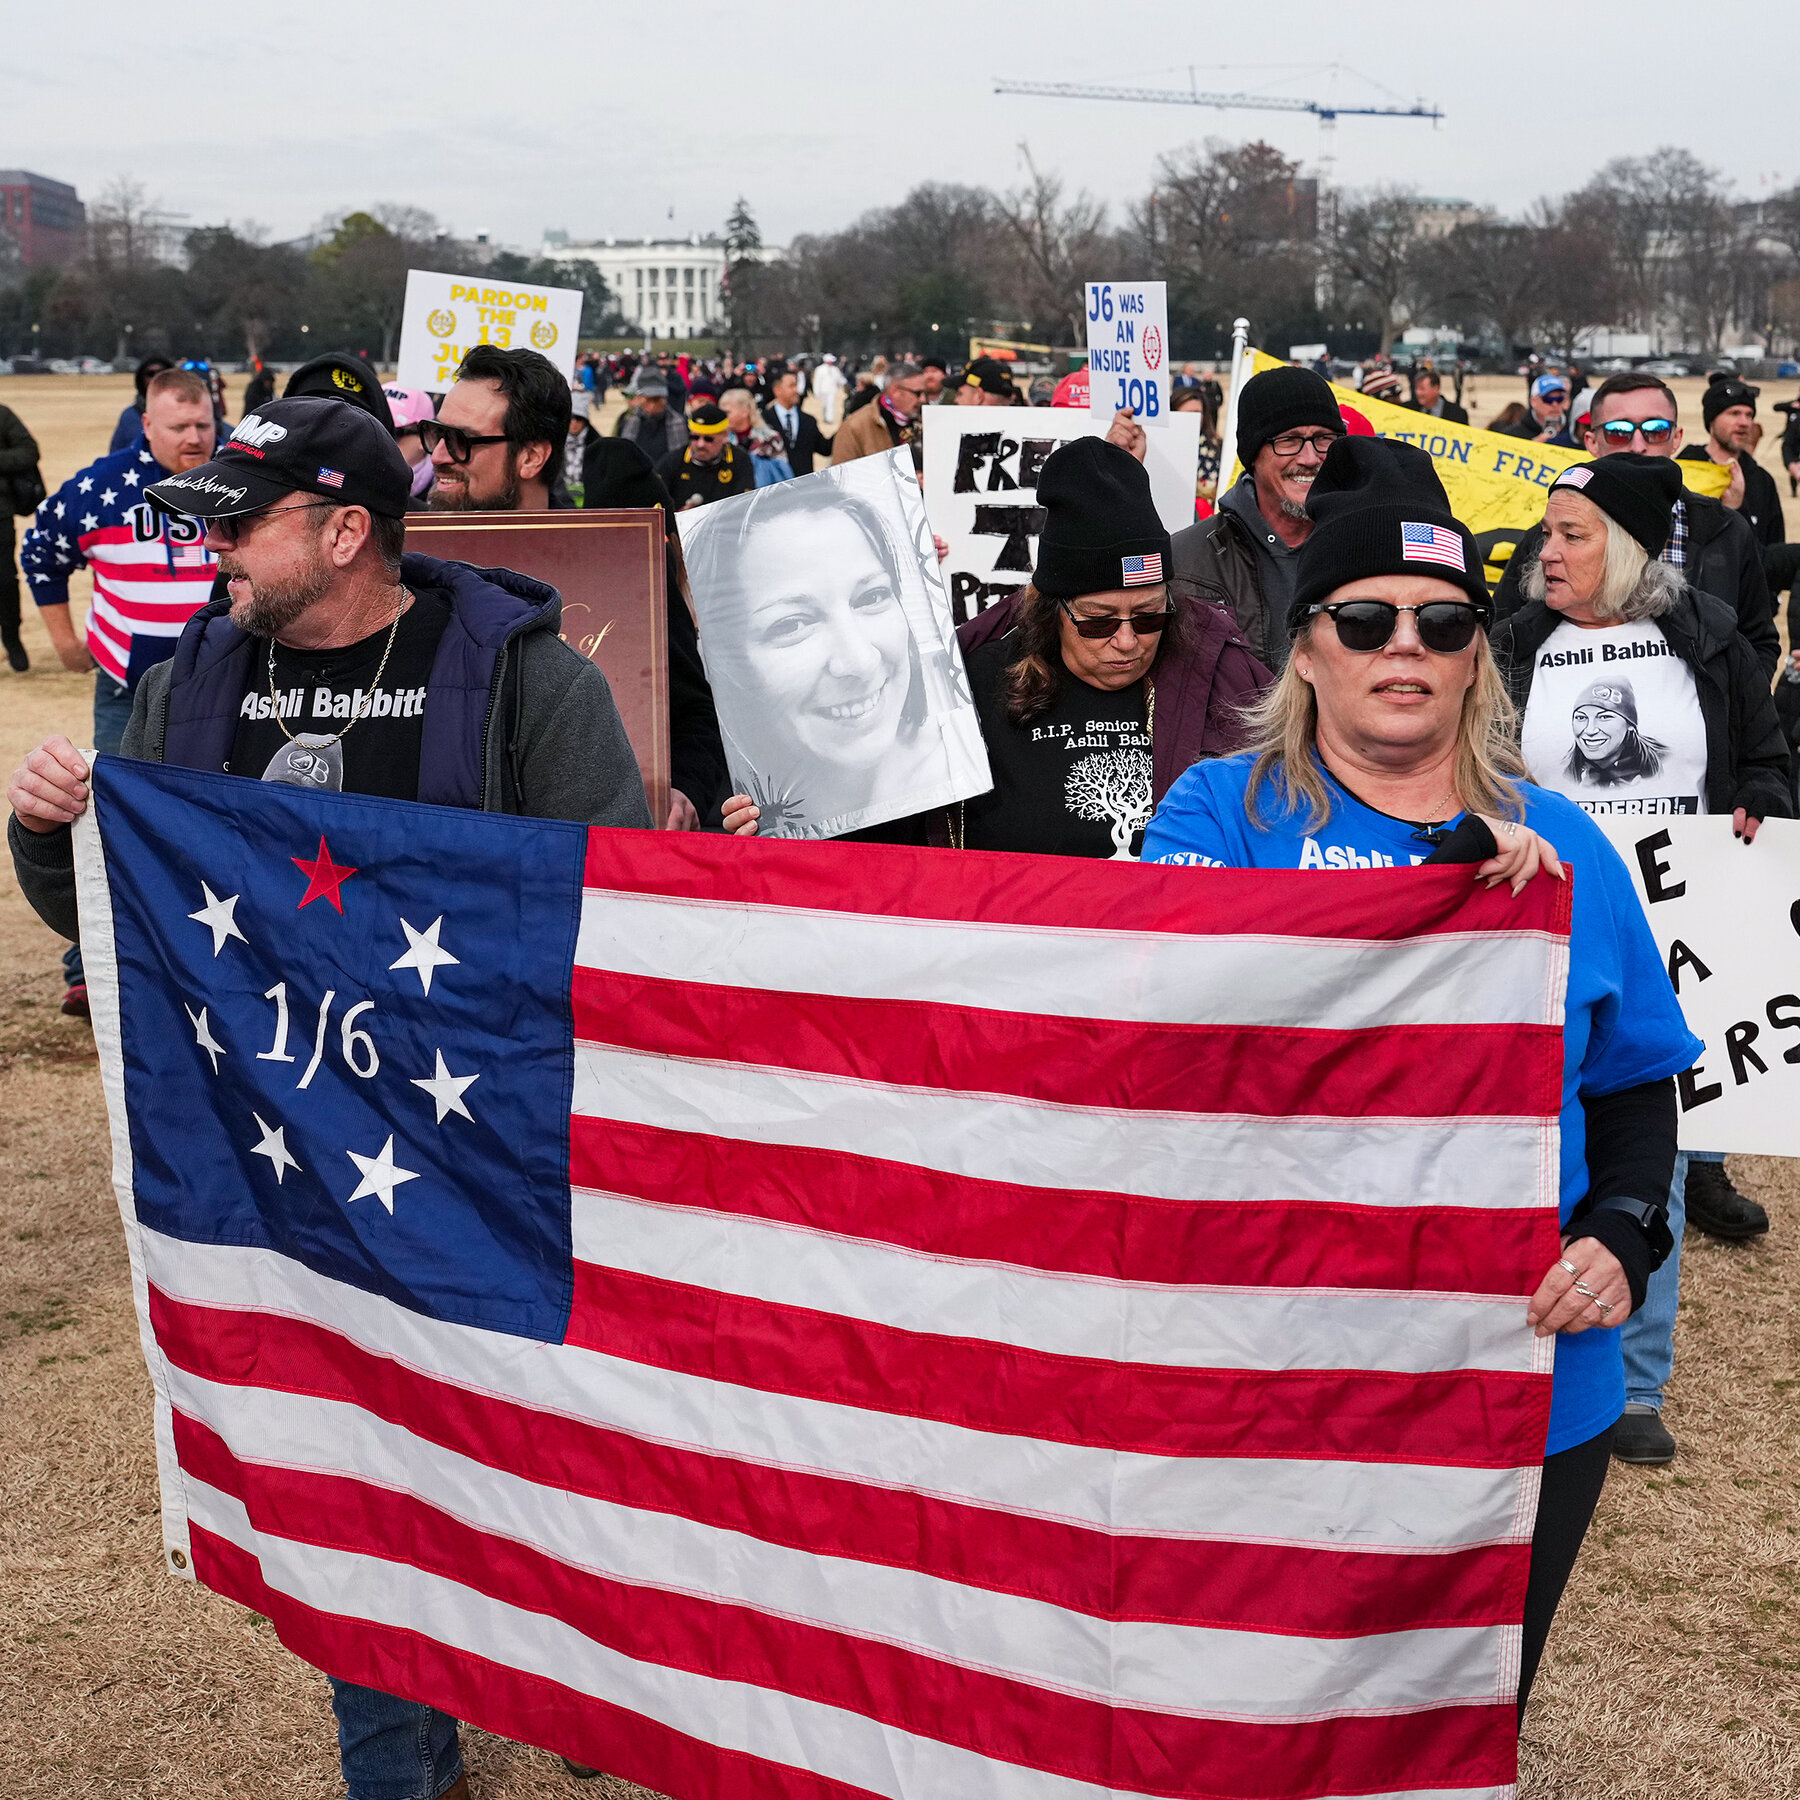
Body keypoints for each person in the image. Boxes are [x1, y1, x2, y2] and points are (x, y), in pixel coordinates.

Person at [7, 395, 648, 1800]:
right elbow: (123, 912)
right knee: (344, 1460)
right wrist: (49, 831)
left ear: (345, 529)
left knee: (492, 1460)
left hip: (480, 1160)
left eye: (243, 522)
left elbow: (616, 921)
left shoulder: (529, 687)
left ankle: (521, 1681)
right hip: (283, 1167)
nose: (214, 546)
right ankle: (400, 1771)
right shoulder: (191, 686)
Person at [1141, 434, 1700, 1719]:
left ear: (1475, 658)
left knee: (1460, 1709)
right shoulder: (1218, 815)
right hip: (1269, 1355)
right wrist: (1441, 875)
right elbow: (1176, 995)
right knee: (1252, 1702)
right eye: (1368, 618)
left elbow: (1631, 1082)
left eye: (1445, 623)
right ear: (1307, 646)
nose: (1408, 646)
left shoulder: (1561, 847)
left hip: (1514, 1359)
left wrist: (1622, 1231)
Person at [1490, 453, 1793, 1465]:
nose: (1551, 551)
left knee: (1645, 1147)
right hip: (1539, 931)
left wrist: (1760, 808)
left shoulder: (1708, 639)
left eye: (1572, 534)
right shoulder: (1513, 642)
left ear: (1622, 548)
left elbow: (1766, 765)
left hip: (1674, 934)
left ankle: (1630, 1380)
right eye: (1548, 532)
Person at [722, 438, 1271, 853]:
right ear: (1053, 607)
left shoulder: (1223, 675)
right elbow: (885, 836)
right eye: (1099, 622)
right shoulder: (964, 686)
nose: (1127, 641)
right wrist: (784, 828)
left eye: (1149, 619)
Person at [20, 363, 221, 1011]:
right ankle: (87, 962)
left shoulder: (235, 484)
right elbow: (41, 549)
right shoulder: (104, 486)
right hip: (126, 688)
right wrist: (64, 641)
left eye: (204, 424)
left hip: (216, 685)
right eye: (180, 426)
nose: (194, 437)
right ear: (146, 424)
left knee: (209, 819)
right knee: (105, 818)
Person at [1493, 372, 1779, 681]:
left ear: (1677, 439)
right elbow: (1503, 637)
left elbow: (1758, 640)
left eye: (1656, 430)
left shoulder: (1726, 530)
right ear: (1592, 442)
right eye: (1618, 432)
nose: (1638, 445)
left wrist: (1732, 712)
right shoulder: (1546, 540)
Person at [1168, 365, 1345, 672]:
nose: (1309, 458)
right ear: (1252, 455)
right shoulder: (1185, 560)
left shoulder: (1365, 545)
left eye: (1323, 438)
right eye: (1288, 440)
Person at [423, 343, 568, 514]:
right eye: (438, 433)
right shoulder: (408, 537)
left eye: (461, 440)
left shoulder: (592, 540)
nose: (437, 457)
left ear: (531, 457)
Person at [1680, 375, 1785, 552]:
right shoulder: (1684, 471)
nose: (1744, 423)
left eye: (1749, 415)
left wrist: (1739, 510)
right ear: (1711, 421)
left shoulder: (1762, 480)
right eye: (1734, 413)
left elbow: (1773, 555)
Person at [0, 398, 42, 671]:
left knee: (4, 580)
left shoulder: (2, 415)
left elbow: (29, 451)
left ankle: (12, 636)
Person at [830, 361, 928, 465]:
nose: (923, 399)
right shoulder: (855, 426)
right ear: (895, 391)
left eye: (925, 393)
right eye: (918, 393)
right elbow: (842, 475)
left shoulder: (928, 421)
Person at [657, 402, 749, 509]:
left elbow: (744, 505)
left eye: (708, 439)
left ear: (725, 436)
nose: (700, 444)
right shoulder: (672, 462)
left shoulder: (740, 460)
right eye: (695, 438)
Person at [381, 385, 440, 509]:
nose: (377, 440)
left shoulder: (447, 494)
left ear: (427, 438)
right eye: (369, 428)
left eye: (392, 433)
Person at [720, 387, 793, 486]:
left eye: (727, 412)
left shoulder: (769, 438)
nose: (722, 416)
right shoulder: (720, 439)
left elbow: (783, 475)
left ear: (745, 411)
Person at [763, 368, 832, 473]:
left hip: (805, 486)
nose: (797, 390)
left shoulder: (808, 421)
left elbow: (825, 449)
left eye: (796, 385)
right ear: (777, 390)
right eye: (791, 386)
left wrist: (846, 426)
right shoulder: (764, 421)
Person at [615, 367, 689, 463]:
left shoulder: (681, 423)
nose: (653, 405)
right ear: (640, 398)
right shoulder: (626, 420)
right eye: (648, 399)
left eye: (657, 399)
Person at [108, 354, 176, 452]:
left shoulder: (187, 413)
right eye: (151, 374)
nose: (157, 377)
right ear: (141, 379)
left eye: (162, 373)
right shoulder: (130, 416)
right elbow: (115, 454)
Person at [1497, 374, 1574, 445]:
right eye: (1548, 399)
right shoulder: (1511, 436)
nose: (1555, 404)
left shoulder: (1575, 432)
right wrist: (1530, 448)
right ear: (1533, 401)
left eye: (1559, 399)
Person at [812, 352, 847, 426]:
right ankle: (825, 417)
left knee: (830, 404)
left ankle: (829, 419)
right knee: (824, 405)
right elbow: (817, 381)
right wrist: (816, 391)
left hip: (832, 390)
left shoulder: (835, 369)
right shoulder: (820, 369)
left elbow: (839, 378)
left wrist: (845, 383)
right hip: (823, 390)